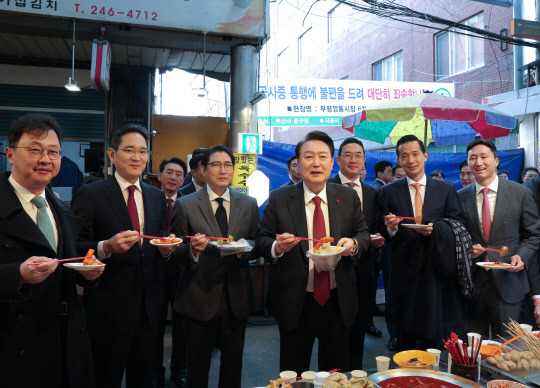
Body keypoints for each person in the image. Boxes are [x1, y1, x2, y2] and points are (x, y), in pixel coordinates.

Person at [0, 113, 103, 387]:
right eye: (34, 149)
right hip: (14, 340)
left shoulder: (60, 209)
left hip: (65, 336)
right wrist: (17, 275)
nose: (45, 159)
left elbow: (64, 263)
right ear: (10, 154)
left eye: (53, 152)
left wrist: (86, 272)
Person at [256, 130, 370, 374]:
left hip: (337, 300)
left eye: (322, 156)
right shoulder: (279, 198)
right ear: (298, 163)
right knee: (295, 373)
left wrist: (353, 243)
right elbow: (261, 240)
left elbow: (363, 234)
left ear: (332, 162)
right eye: (308, 157)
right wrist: (277, 247)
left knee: (335, 373)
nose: (315, 163)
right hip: (296, 302)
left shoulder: (348, 197)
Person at [71, 124, 174, 388]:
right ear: (112, 154)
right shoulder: (91, 194)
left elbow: (158, 241)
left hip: (149, 308)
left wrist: (165, 250)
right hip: (108, 306)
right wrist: (107, 247)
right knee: (105, 377)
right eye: (129, 150)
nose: (137, 157)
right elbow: (74, 246)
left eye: (142, 151)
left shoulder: (155, 196)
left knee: (143, 378)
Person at [171, 144, 260, 388]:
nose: (223, 169)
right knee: (197, 366)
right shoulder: (186, 203)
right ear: (203, 169)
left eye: (228, 164)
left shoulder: (249, 203)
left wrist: (246, 246)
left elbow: (256, 238)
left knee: (233, 365)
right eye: (215, 165)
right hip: (198, 295)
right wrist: (192, 250)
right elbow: (175, 248)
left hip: (236, 295)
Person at [378, 135, 464, 349]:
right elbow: (381, 229)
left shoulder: (446, 189)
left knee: (436, 337)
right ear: (398, 161)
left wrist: (438, 230)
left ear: (425, 155)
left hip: (436, 270)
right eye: (404, 156)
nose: (410, 160)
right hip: (404, 269)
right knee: (406, 336)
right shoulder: (389, 191)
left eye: (415, 154)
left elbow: (457, 223)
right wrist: (392, 227)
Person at [458, 140, 540, 338]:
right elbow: (458, 234)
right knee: (473, 347)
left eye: (484, 157)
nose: (478, 162)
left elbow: (533, 234)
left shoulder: (520, 193)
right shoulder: (460, 196)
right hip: (473, 284)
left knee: (507, 346)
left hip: (509, 281)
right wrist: (468, 247)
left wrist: (521, 255)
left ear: (495, 161)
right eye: (473, 158)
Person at [327, 137, 385, 368]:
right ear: (338, 160)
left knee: (359, 325)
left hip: (364, 269)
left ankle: (355, 374)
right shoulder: (326, 187)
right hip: (333, 268)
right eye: (348, 155)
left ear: (364, 161)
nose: (353, 160)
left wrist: (382, 235)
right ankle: (332, 375)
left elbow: (377, 228)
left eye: (359, 155)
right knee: (333, 328)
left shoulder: (372, 193)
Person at [154, 157, 188, 388]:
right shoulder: (149, 200)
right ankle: (155, 372)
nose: (173, 177)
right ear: (160, 176)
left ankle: (179, 371)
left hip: (182, 271)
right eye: (169, 172)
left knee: (182, 326)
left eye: (178, 174)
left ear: (183, 180)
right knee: (154, 326)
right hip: (153, 270)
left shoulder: (189, 202)